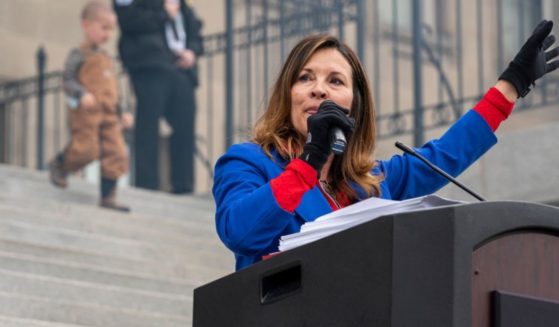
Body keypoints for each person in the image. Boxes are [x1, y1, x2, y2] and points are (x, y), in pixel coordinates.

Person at [213, 21, 559, 271]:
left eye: (335, 81)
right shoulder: (248, 162)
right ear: (288, 96)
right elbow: (241, 234)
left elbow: (448, 152)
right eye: (305, 78)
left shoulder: (375, 183)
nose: (318, 89)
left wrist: (512, 84)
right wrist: (309, 161)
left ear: (354, 106)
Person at [48, 0, 132, 212]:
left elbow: (115, 90)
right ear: (87, 25)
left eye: (111, 29)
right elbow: (67, 79)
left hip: (109, 114)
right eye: (104, 28)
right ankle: (61, 164)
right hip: (87, 113)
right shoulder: (79, 54)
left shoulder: (107, 58)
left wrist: (123, 112)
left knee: (117, 152)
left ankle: (108, 195)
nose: (108, 34)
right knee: (86, 149)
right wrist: (81, 93)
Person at [113, 0, 204, 194]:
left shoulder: (183, 7)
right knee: (148, 123)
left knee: (185, 124)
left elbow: (195, 31)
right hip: (150, 65)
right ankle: (146, 184)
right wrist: (163, 14)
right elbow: (127, 20)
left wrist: (192, 52)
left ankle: (183, 186)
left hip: (181, 70)